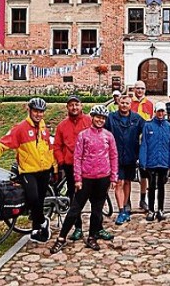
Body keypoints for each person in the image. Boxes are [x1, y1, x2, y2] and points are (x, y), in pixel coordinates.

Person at [0, 97, 54, 243]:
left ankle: (36, 230)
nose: (38, 114)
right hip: (28, 171)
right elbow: (1, 144)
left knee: (40, 201)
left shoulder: (44, 128)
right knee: (33, 199)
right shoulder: (20, 128)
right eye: (36, 111)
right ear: (29, 110)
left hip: (44, 170)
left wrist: (54, 167)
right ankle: (43, 222)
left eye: (41, 112)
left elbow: (49, 149)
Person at [49, 105, 118, 254]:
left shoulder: (108, 136)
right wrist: (78, 179)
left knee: (97, 210)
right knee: (75, 209)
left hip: (103, 178)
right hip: (86, 178)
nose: (100, 120)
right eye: (98, 117)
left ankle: (92, 236)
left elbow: (113, 156)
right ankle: (61, 238)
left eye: (103, 118)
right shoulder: (83, 135)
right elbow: (77, 158)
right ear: (92, 118)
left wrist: (113, 177)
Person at [52, 95, 93, 241]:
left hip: (89, 164)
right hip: (70, 165)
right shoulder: (62, 126)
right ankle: (78, 227)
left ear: (81, 106)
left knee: (94, 196)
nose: (74, 107)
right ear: (67, 108)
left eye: (76, 104)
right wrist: (62, 161)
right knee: (74, 198)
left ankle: (97, 227)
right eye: (71, 105)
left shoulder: (89, 121)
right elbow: (57, 146)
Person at [105, 93, 146, 225]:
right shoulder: (110, 118)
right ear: (118, 103)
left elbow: (146, 130)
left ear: (130, 105)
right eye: (122, 103)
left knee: (128, 182)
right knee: (119, 182)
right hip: (115, 155)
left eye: (127, 103)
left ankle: (126, 207)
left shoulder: (136, 118)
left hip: (130, 155)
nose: (124, 105)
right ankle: (121, 209)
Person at [139, 102, 170, 221]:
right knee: (152, 186)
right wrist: (143, 161)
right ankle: (151, 209)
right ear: (155, 112)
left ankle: (160, 209)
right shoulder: (148, 126)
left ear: (165, 112)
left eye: (162, 111)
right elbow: (144, 144)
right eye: (158, 111)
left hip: (163, 161)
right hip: (151, 161)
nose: (160, 113)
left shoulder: (169, 127)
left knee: (161, 186)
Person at [130, 80, 153, 210]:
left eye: (142, 89)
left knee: (145, 172)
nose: (140, 91)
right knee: (128, 173)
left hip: (145, 142)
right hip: (130, 141)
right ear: (134, 89)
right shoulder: (129, 102)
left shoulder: (149, 104)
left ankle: (143, 199)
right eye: (138, 88)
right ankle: (126, 202)